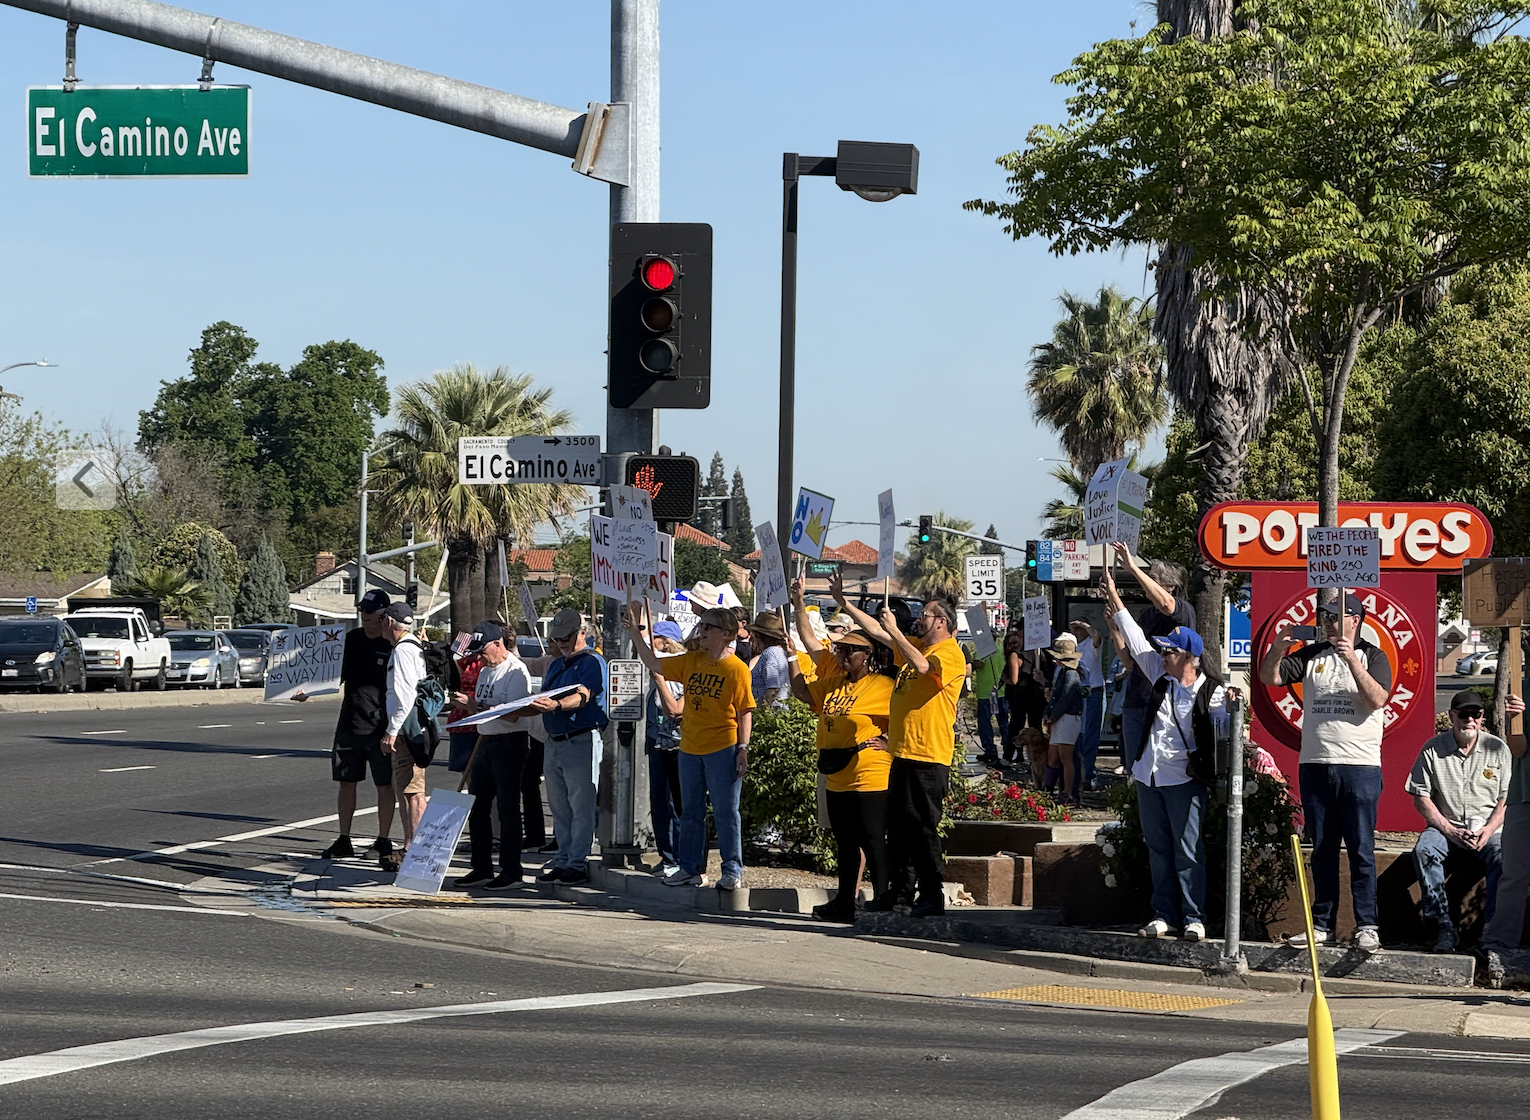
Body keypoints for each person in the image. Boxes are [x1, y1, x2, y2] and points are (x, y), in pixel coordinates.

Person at [1104, 565, 1233, 940]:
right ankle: (1164, 914)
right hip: (1150, 774)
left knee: (1187, 850)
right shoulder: (1158, 676)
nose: (1162, 654)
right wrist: (1113, 593)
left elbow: (1225, 736)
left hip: (1185, 779)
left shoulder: (1213, 692)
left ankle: (1195, 916)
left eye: (1170, 651)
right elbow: (1133, 635)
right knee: (1157, 848)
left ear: (1189, 658)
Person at [1258, 590, 1391, 953]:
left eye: (1336, 617)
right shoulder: (1313, 653)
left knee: (1362, 849)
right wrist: (1279, 646)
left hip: (1359, 765)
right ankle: (1321, 925)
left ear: (1356, 621)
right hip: (1315, 764)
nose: (1329, 623)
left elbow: (1378, 698)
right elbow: (1271, 678)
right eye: (1326, 617)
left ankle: (1367, 924)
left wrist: (1352, 662)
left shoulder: (1374, 656)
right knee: (1322, 849)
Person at [830, 573, 965, 919]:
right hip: (903, 753)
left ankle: (931, 895)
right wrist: (845, 603)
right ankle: (901, 893)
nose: (919, 619)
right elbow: (878, 633)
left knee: (921, 826)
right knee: (899, 829)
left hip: (928, 756)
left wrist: (894, 632)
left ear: (942, 622)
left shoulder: (949, 654)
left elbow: (922, 668)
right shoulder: (918, 647)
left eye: (925, 615)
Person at [624, 603, 754, 890]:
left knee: (725, 811)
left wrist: (743, 747)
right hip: (690, 747)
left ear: (727, 633)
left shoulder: (736, 669)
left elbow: (745, 710)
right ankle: (690, 869)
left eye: (709, 626)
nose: (702, 630)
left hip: (723, 747)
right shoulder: (691, 660)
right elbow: (654, 663)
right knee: (691, 811)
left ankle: (732, 870)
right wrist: (636, 633)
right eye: (702, 625)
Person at [789, 617, 893, 922]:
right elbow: (803, 693)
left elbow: (907, 717)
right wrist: (793, 656)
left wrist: (888, 740)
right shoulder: (834, 685)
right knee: (846, 843)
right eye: (841, 649)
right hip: (836, 772)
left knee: (873, 840)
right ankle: (845, 901)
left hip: (869, 773)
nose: (844, 655)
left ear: (868, 657)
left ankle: (884, 898)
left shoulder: (882, 686)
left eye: (851, 650)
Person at [1407, 689, 1513, 953]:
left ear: (1482, 717)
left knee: (1504, 857)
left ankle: (1491, 931)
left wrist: (1488, 830)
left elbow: (1506, 799)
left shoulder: (1498, 749)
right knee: (1424, 850)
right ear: (1451, 716)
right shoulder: (1432, 749)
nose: (1469, 721)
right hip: (1446, 827)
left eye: (1475, 715)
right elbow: (1420, 796)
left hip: (1489, 830)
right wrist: (1449, 829)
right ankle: (1441, 926)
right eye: (1463, 714)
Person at [520, 608, 608, 885]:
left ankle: (577, 861)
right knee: (560, 806)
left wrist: (557, 705)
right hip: (555, 740)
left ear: (582, 633)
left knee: (580, 805)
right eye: (557, 638)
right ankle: (563, 858)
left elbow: (583, 695)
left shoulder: (593, 662)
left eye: (566, 636)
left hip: (581, 738)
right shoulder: (557, 664)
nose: (561, 642)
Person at [311, 589, 396, 865]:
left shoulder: (392, 644)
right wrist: (306, 690)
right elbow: (331, 674)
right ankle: (344, 838)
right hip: (350, 723)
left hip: (380, 727)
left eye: (370, 611)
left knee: (384, 784)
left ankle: (383, 839)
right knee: (346, 782)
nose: (365, 616)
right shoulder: (351, 640)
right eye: (362, 611)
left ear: (384, 614)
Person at [451, 622, 534, 890]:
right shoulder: (486, 672)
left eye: (483, 651)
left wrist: (474, 705)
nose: (480, 657)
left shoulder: (515, 671)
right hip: (485, 739)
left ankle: (511, 871)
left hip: (510, 742)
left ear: (498, 644)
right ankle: (481, 867)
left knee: (508, 809)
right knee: (478, 808)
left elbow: (513, 714)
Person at [1109, 543, 1196, 776]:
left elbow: (1167, 604)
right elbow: (1130, 661)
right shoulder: (1147, 615)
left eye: (1153, 577)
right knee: (1134, 768)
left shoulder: (1183, 610)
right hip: (1135, 699)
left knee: (1158, 766)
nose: (1146, 581)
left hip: (1160, 701)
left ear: (1169, 586)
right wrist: (1115, 630)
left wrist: (1131, 567)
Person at [1484, 693, 1529, 984]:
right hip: (1523, 798)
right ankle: (1499, 944)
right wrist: (1516, 720)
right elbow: (1518, 749)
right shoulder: (1519, 690)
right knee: (1514, 874)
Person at [379, 601, 428, 866]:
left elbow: (405, 695)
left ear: (388, 622)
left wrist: (392, 731)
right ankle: (412, 847)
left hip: (408, 731)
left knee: (412, 792)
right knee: (408, 792)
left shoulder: (402, 652)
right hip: (412, 729)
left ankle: (415, 850)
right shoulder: (412, 647)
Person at [645, 618, 688, 878]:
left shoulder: (678, 669)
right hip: (658, 741)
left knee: (676, 802)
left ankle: (680, 856)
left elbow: (670, 707)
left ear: (666, 641)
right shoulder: (659, 666)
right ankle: (666, 854)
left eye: (656, 638)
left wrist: (660, 680)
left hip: (678, 743)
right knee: (659, 800)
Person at [1042, 632, 1084, 804]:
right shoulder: (1063, 673)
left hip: (1068, 717)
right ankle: (1049, 789)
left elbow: (1065, 699)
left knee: (1065, 757)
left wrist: (1052, 716)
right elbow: (1059, 697)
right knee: (1053, 755)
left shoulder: (1071, 675)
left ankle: (1068, 793)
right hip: (1061, 718)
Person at [1070, 617, 1106, 795]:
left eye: (1078, 628)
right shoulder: (1074, 647)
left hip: (1093, 692)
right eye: (1073, 628)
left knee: (1090, 734)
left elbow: (1097, 637)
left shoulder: (1092, 645)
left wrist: (1084, 624)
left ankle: (1089, 774)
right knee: (1079, 734)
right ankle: (1079, 772)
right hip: (1078, 693)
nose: (1075, 631)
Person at [1003, 626, 1045, 766]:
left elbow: (1014, 680)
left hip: (1021, 694)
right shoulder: (1039, 652)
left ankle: (1007, 757)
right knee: (1036, 727)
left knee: (1016, 725)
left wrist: (1006, 681)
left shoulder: (1016, 654)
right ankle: (1037, 759)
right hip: (1037, 695)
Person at [446, 641, 484, 774]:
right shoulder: (466, 661)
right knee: (466, 771)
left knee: (482, 773)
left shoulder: (493, 664)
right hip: (461, 721)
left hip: (482, 723)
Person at [972, 640, 1008, 770]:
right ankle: (1007, 751)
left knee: (985, 723)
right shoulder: (1001, 649)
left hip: (986, 693)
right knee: (1003, 723)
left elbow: (978, 664)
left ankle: (990, 751)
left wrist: (970, 661)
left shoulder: (983, 651)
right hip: (1000, 691)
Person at [747, 610, 792, 708]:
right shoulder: (779, 652)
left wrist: (764, 710)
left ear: (758, 635)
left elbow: (773, 688)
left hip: (771, 713)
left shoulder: (770, 654)